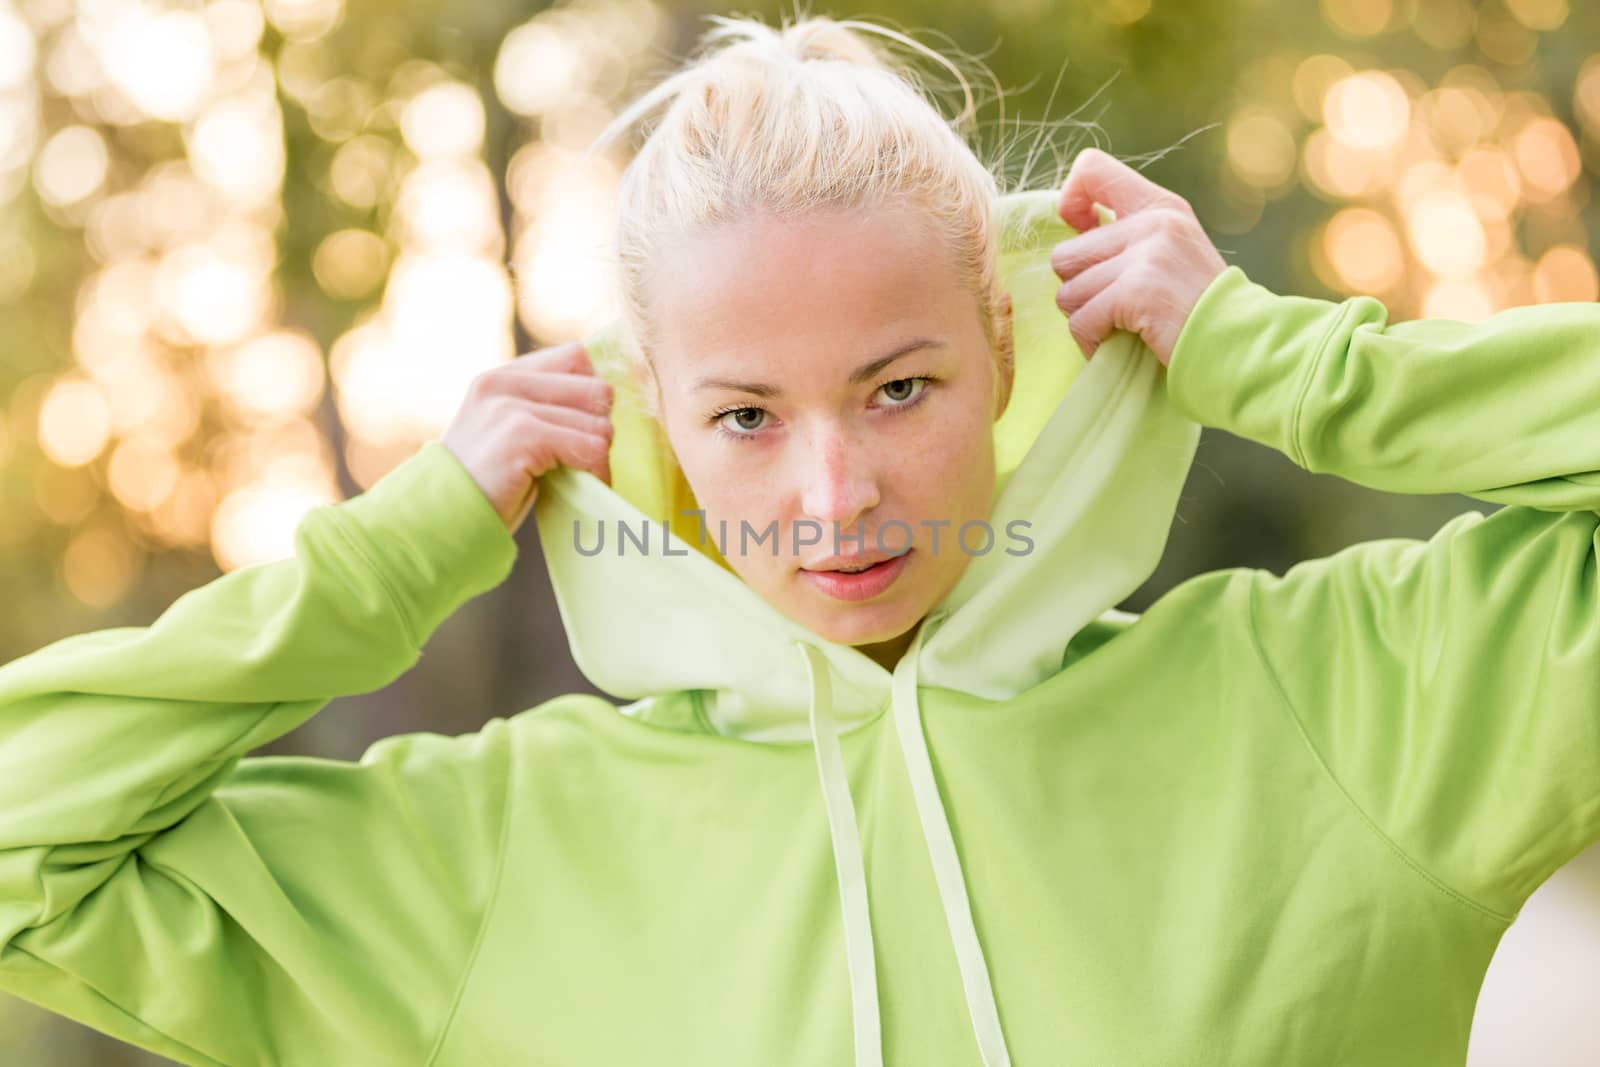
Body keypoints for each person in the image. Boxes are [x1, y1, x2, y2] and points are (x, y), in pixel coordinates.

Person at [2, 11, 1597, 1067]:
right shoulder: (499, 851)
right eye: (748, 417)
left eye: (898, 389)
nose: (835, 497)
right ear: (661, 431)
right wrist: (397, 554)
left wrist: (1294, 366)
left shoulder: (1322, 710)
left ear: (1002, 350)